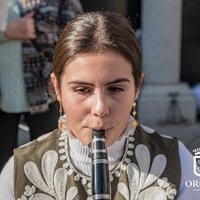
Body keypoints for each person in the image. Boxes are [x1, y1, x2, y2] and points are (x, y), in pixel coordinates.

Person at [0, 11, 198, 199]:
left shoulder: (179, 162)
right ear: (57, 89)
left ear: (137, 86)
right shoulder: (19, 171)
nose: (100, 108)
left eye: (115, 89)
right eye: (82, 90)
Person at [0, 0, 83, 171]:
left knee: (47, 162)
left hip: (43, 89)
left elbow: (75, 35)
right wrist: (8, 31)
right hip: (3, 92)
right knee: (3, 166)